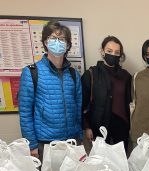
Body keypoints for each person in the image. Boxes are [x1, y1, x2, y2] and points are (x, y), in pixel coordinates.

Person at [18, 21, 82, 161]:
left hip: (72, 141)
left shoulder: (73, 74)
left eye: (62, 39)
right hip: (45, 144)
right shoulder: (31, 72)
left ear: (67, 45)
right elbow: (25, 113)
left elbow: (78, 109)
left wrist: (80, 137)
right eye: (53, 38)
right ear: (46, 42)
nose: (58, 42)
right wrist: (32, 145)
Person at [81, 36, 132, 152]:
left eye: (117, 52)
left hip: (122, 127)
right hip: (99, 126)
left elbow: (130, 102)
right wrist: (87, 127)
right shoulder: (91, 74)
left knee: (120, 163)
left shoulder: (126, 76)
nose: (113, 54)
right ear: (102, 51)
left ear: (120, 55)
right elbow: (83, 103)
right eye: (109, 51)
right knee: (102, 163)